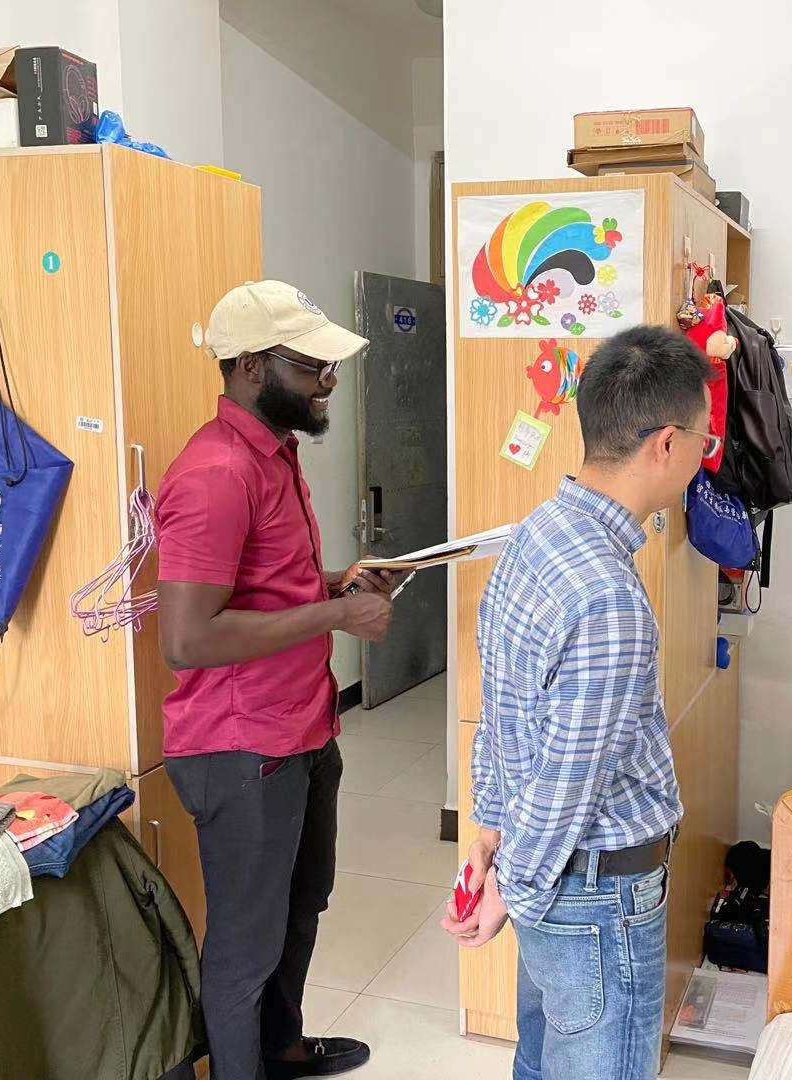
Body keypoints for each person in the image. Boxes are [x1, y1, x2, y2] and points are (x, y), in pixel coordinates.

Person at [442, 325, 717, 1080]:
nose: (703, 457)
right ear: (666, 443)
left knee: (542, 1062)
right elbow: (570, 776)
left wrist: (492, 833)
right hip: (596, 892)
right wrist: (511, 887)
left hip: (545, 870)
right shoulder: (609, 596)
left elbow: (501, 709)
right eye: (704, 440)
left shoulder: (535, 534)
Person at [156, 280, 396, 1080]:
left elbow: (265, 590)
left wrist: (337, 584)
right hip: (241, 748)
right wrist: (337, 616)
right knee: (245, 943)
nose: (329, 380)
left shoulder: (274, 454)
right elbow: (188, 639)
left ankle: (280, 1048)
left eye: (330, 365)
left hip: (300, 728)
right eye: (312, 365)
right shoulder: (216, 473)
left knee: (303, 901)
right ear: (252, 365)